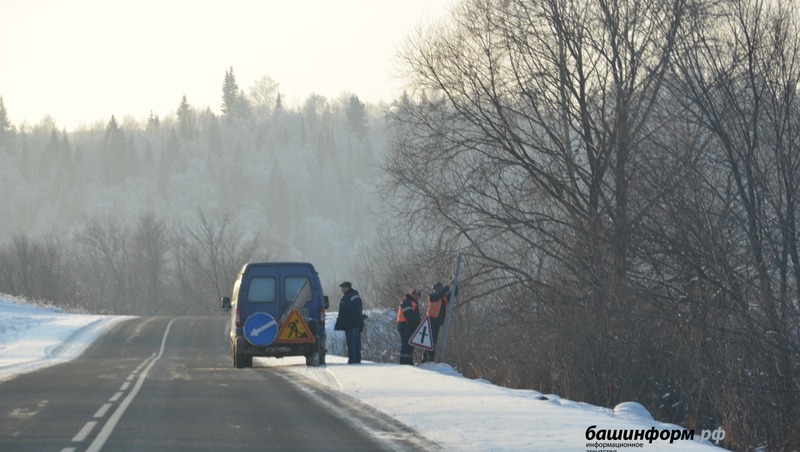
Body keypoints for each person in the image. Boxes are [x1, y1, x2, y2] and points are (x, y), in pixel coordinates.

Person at [334, 281, 363, 364]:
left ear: (348, 288)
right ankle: (357, 360)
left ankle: (353, 361)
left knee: (352, 343)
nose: (342, 290)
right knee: (356, 342)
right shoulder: (354, 295)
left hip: (351, 324)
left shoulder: (349, 297)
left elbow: (348, 311)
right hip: (355, 323)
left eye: (343, 288)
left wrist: (346, 321)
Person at [423, 282, 453, 363]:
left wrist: (455, 284)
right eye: (438, 288)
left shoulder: (444, 298)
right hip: (431, 321)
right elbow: (439, 295)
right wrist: (445, 289)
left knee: (433, 341)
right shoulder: (432, 296)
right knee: (431, 340)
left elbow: (453, 294)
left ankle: (426, 358)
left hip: (438, 322)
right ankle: (430, 359)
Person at [396, 287, 421, 365]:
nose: (418, 296)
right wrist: (418, 320)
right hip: (405, 326)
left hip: (409, 326)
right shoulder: (406, 301)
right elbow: (409, 314)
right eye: (416, 294)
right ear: (412, 294)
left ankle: (409, 363)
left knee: (410, 346)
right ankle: (404, 363)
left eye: (419, 295)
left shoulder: (413, 302)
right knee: (406, 346)